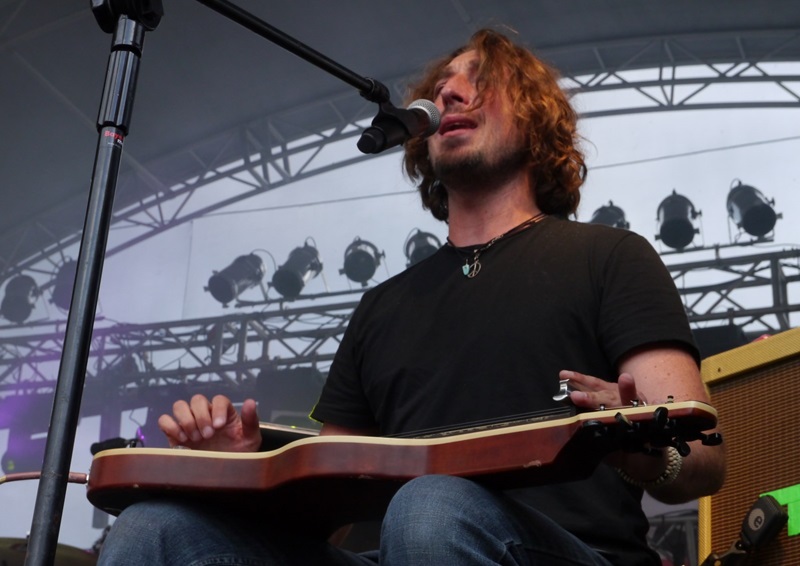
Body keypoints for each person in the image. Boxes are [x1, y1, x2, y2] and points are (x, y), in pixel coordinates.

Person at [98, 28, 725, 565]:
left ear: (537, 119)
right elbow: (329, 506)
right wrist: (242, 475)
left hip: (565, 552)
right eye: (442, 86)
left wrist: (639, 447)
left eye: (480, 81)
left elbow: (703, 461)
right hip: (395, 551)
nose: (448, 93)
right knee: (152, 531)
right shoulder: (381, 307)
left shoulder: (610, 256)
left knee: (429, 506)